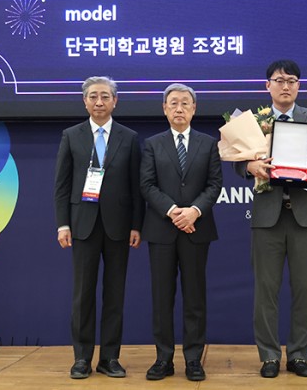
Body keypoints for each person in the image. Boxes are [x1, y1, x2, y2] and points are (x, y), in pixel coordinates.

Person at [235, 60, 307, 378]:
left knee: (305, 290)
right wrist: (249, 167)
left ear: (298, 86)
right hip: (268, 217)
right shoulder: (254, 121)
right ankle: (268, 356)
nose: (285, 86)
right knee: (265, 291)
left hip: (306, 216)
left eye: (291, 80)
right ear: (267, 85)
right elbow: (238, 160)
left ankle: (299, 356)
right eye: (279, 80)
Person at [54, 76, 144, 379]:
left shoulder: (129, 137)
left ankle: (109, 358)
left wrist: (136, 225)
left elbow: (136, 187)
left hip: (119, 227)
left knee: (115, 295)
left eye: (105, 96)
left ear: (115, 101)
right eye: (93, 96)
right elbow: (61, 186)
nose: (99, 102)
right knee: (83, 295)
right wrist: (63, 224)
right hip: (83, 225)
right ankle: (81, 358)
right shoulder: (71, 135)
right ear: (85, 101)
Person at [140, 83, 223, 382]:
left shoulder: (208, 143)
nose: (179, 108)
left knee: (195, 297)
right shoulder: (152, 144)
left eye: (185, 103)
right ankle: (163, 359)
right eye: (173, 103)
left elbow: (214, 184)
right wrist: (175, 211)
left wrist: (194, 211)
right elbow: (147, 184)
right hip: (162, 229)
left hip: (196, 229)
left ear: (194, 109)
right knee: (162, 298)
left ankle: (193, 359)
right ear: (164, 108)